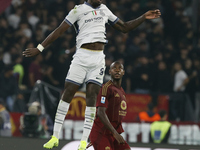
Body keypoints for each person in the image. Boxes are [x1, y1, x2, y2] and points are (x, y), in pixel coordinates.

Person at [23, 0, 161, 149]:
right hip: (81, 56)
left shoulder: (104, 9)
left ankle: (83, 141)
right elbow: (59, 30)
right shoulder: (78, 10)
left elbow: (124, 27)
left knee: (92, 97)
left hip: (98, 59)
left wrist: (143, 17)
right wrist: (39, 48)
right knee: (68, 93)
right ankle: (55, 136)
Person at [88, 61, 130, 150]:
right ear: (110, 71)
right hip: (102, 133)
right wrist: (97, 137)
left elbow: (116, 115)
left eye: (120, 68)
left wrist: (116, 133)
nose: (117, 71)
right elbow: (101, 113)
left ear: (123, 72)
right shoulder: (106, 88)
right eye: (114, 68)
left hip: (112, 133)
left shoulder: (121, 91)